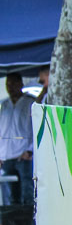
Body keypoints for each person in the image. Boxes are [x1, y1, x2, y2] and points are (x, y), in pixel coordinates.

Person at [0, 73, 35, 208]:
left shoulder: (29, 103)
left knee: (27, 193)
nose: (10, 87)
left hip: (23, 155)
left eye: (13, 84)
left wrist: (29, 151)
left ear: (20, 84)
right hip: (6, 156)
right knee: (9, 195)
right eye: (8, 84)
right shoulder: (4, 105)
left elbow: (34, 129)